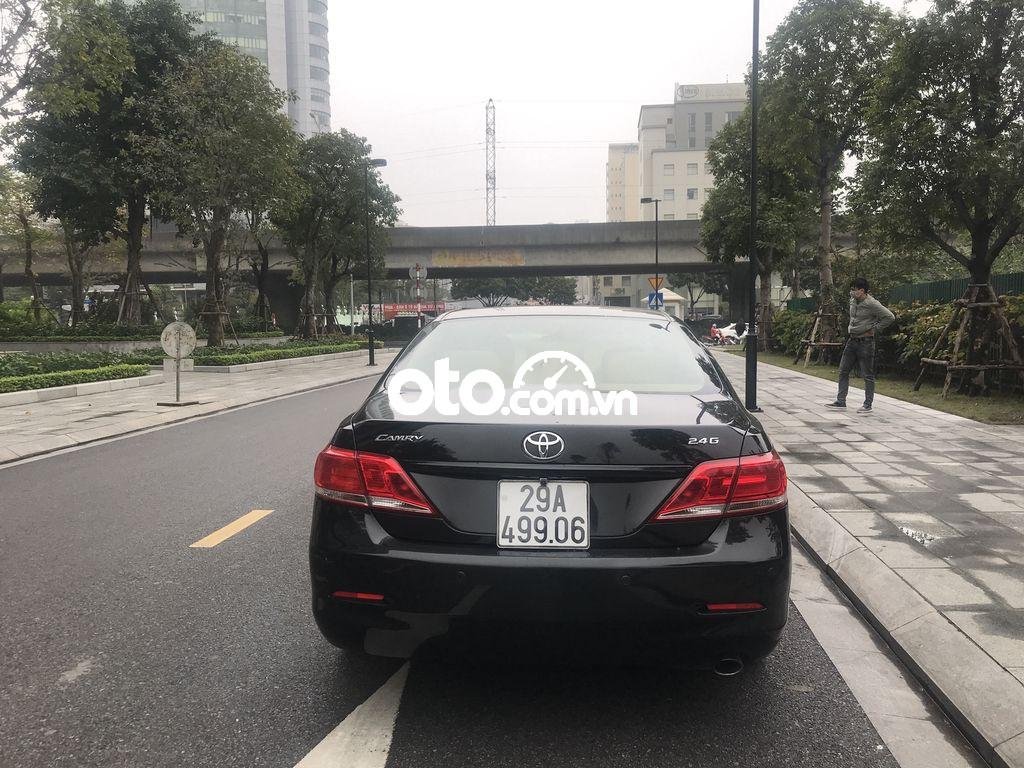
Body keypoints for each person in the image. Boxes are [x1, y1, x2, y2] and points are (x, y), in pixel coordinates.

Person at [826, 277, 895, 414]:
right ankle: (841, 401)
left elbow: (890, 317)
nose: (851, 292)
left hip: (866, 343)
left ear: (861, 291)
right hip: (852, 341)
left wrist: (875, 329)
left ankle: (867, 405)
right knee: (843, 371)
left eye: (854, 290)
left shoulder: (872, 303)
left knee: (867, 375)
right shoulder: (853, 300)